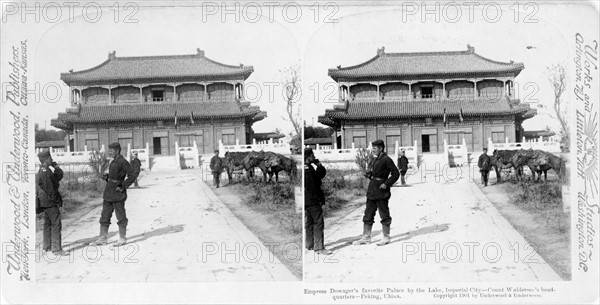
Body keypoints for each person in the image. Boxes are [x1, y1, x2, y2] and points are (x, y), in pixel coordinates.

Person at [353, 140, 400, 246]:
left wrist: (386, 184)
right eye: (372, 148)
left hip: (382, 190)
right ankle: (366, 237)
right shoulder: (375, 159)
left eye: (375, 148)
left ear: (381, 148)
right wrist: (369, 174)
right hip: (372, 190)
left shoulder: (387, 159)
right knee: (368, 214)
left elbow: (395, 173)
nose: (373, 150)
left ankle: (386, 237)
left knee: (384, 214)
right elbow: (375, 173)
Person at [90, 143, 138, 247]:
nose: (109, 152)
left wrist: (123, 185)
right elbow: (113, 175)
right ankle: (102, 238)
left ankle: (122, 238)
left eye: (111, 150)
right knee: (105, 216)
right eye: (109, 150)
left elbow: (132, 175)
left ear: (117, 151)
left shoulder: (123, 162)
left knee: (121, 216)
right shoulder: (113, 162)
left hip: (118, 192)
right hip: (108, 192)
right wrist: (107, 177)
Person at [36, 150, 67, 256]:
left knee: (48, 223)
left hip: (45, 201)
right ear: (45, 159)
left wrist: (56, 167)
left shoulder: (45, 170)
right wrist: (57, 201)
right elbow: (50, 189)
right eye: (50, 158)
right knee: (56, 223)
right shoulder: (45, 172)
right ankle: (57, 249)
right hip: (50, 201)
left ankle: (47, 246)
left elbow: (58, 177)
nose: (52, 159)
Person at [304, 148, 332, 255]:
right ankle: (319, 248)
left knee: (309, 222)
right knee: (318, 222)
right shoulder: (310, 170)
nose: (314, 157)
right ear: (308, 157)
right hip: (313, 200)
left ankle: (310, 244)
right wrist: (319, 165)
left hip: (305, 200)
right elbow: (319, 177)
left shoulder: (304, 168)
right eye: (312, 156)